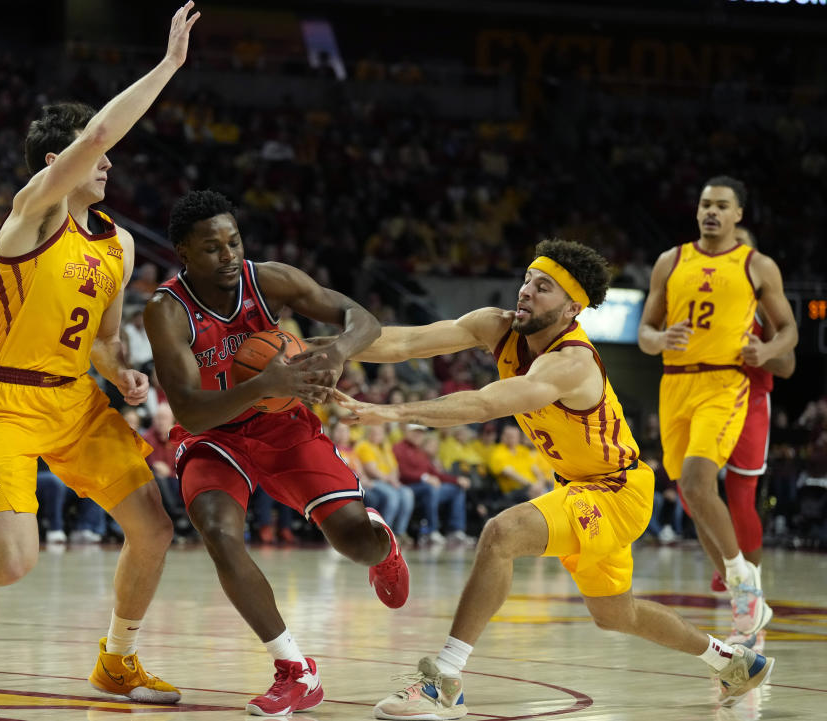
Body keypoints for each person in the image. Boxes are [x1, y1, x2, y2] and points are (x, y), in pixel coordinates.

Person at [0, 4, 202, 704]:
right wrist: (168, 66)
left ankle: (117, 658)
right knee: (13, 562)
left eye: (107, 155)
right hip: (8, 400)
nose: (109, 160)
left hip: (77, 402)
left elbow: (100, 337)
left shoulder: (119, 246)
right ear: (56, 164)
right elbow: (98, 129)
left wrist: (119, 369)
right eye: (96, 155)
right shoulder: (30, 214)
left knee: (154, 529)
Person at [334, 239, 774, 717]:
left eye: (542, 287)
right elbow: (403, 342)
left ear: (572, 307)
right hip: (581, 489)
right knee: (615, 614)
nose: (525, 291)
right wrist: (323, 349)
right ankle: (732, 662)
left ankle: (445, 681)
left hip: (617, 492)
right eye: (526, 279)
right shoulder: (495, 325)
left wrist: (390, 411)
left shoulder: (572, 362)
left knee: (503, 533)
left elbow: (485, 405)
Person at [142, 189, 408, 716]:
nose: (229, 255)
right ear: (184, 253)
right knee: (217, 530)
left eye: (234, 241)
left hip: (284, 426)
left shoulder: (269, 280)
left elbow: (363, 318)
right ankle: (295, 670)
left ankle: (385, 549)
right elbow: (192, 412)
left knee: (359, 544)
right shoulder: (166, 311)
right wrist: (264, 383)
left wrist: (337, 349)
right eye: (212, 247)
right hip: (213, 433)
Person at [638, 177, 797, 638]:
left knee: (699, 481)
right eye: (705, 204)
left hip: (724, 384)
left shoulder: (757, 265)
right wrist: (659, 339)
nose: (711, 212)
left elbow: (788, 330)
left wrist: (766, 353)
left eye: (721, 206)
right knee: (691, 494)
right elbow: (645, 333)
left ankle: (745, 585)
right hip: (675, 384)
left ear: (737, 215)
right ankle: (741, 585)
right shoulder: (670, 260)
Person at [706, 227, 796, 645]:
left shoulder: (761, 301)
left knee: (741, 497)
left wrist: (763, 353)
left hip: (748, 401)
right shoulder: (697, 290)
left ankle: (749, 597)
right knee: (692, 489)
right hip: (702, 398)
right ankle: (732, 565)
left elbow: (789, 365)